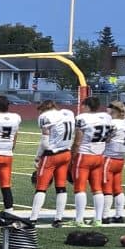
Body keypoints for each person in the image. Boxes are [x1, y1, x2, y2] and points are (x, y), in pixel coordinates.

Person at [70, 94, 115, 226]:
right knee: (97, 188)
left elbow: (77, 141)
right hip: (99, 156)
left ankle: (79, 220)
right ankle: (98, 219)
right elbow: (110, 137)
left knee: (80, 188)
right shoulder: (106, 117)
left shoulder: (82, 118)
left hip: (84, 155)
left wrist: (72, 156)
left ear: (86, 106)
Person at [32, 94, 78, 224]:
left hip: (51, 154)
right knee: (61, 187)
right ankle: (58, 218)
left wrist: (37, 157)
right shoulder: (68, 113)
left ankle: (33, 218)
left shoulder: (46, 117)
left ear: (43, 109)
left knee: (41, 187)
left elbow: (45, 143)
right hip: (66, 153)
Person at [101, 102, 125, 223]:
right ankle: (119, 215)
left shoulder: (113, 123)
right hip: (120, 160)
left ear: (113, 111)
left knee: (106, 188)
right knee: (118, 188)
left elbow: (106, 139)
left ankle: (104, 216)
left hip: (109, 159)